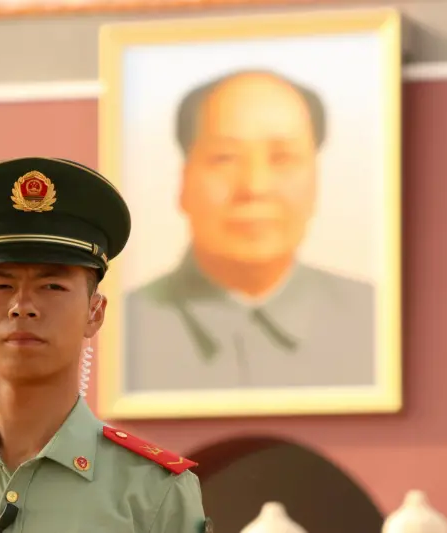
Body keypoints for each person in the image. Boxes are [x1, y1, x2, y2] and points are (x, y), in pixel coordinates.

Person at [0, 157, 210, 533]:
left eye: (52, 286)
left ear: (95, 312)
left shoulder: (152, 493)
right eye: (0, 285)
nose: (22, 307)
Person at [125, 69, 375, 392]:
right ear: (183, 182)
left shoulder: (375, 321)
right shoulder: (120, 328)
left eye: (283, 158)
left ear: (316, 180)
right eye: (225, 158)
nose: (255, 186)